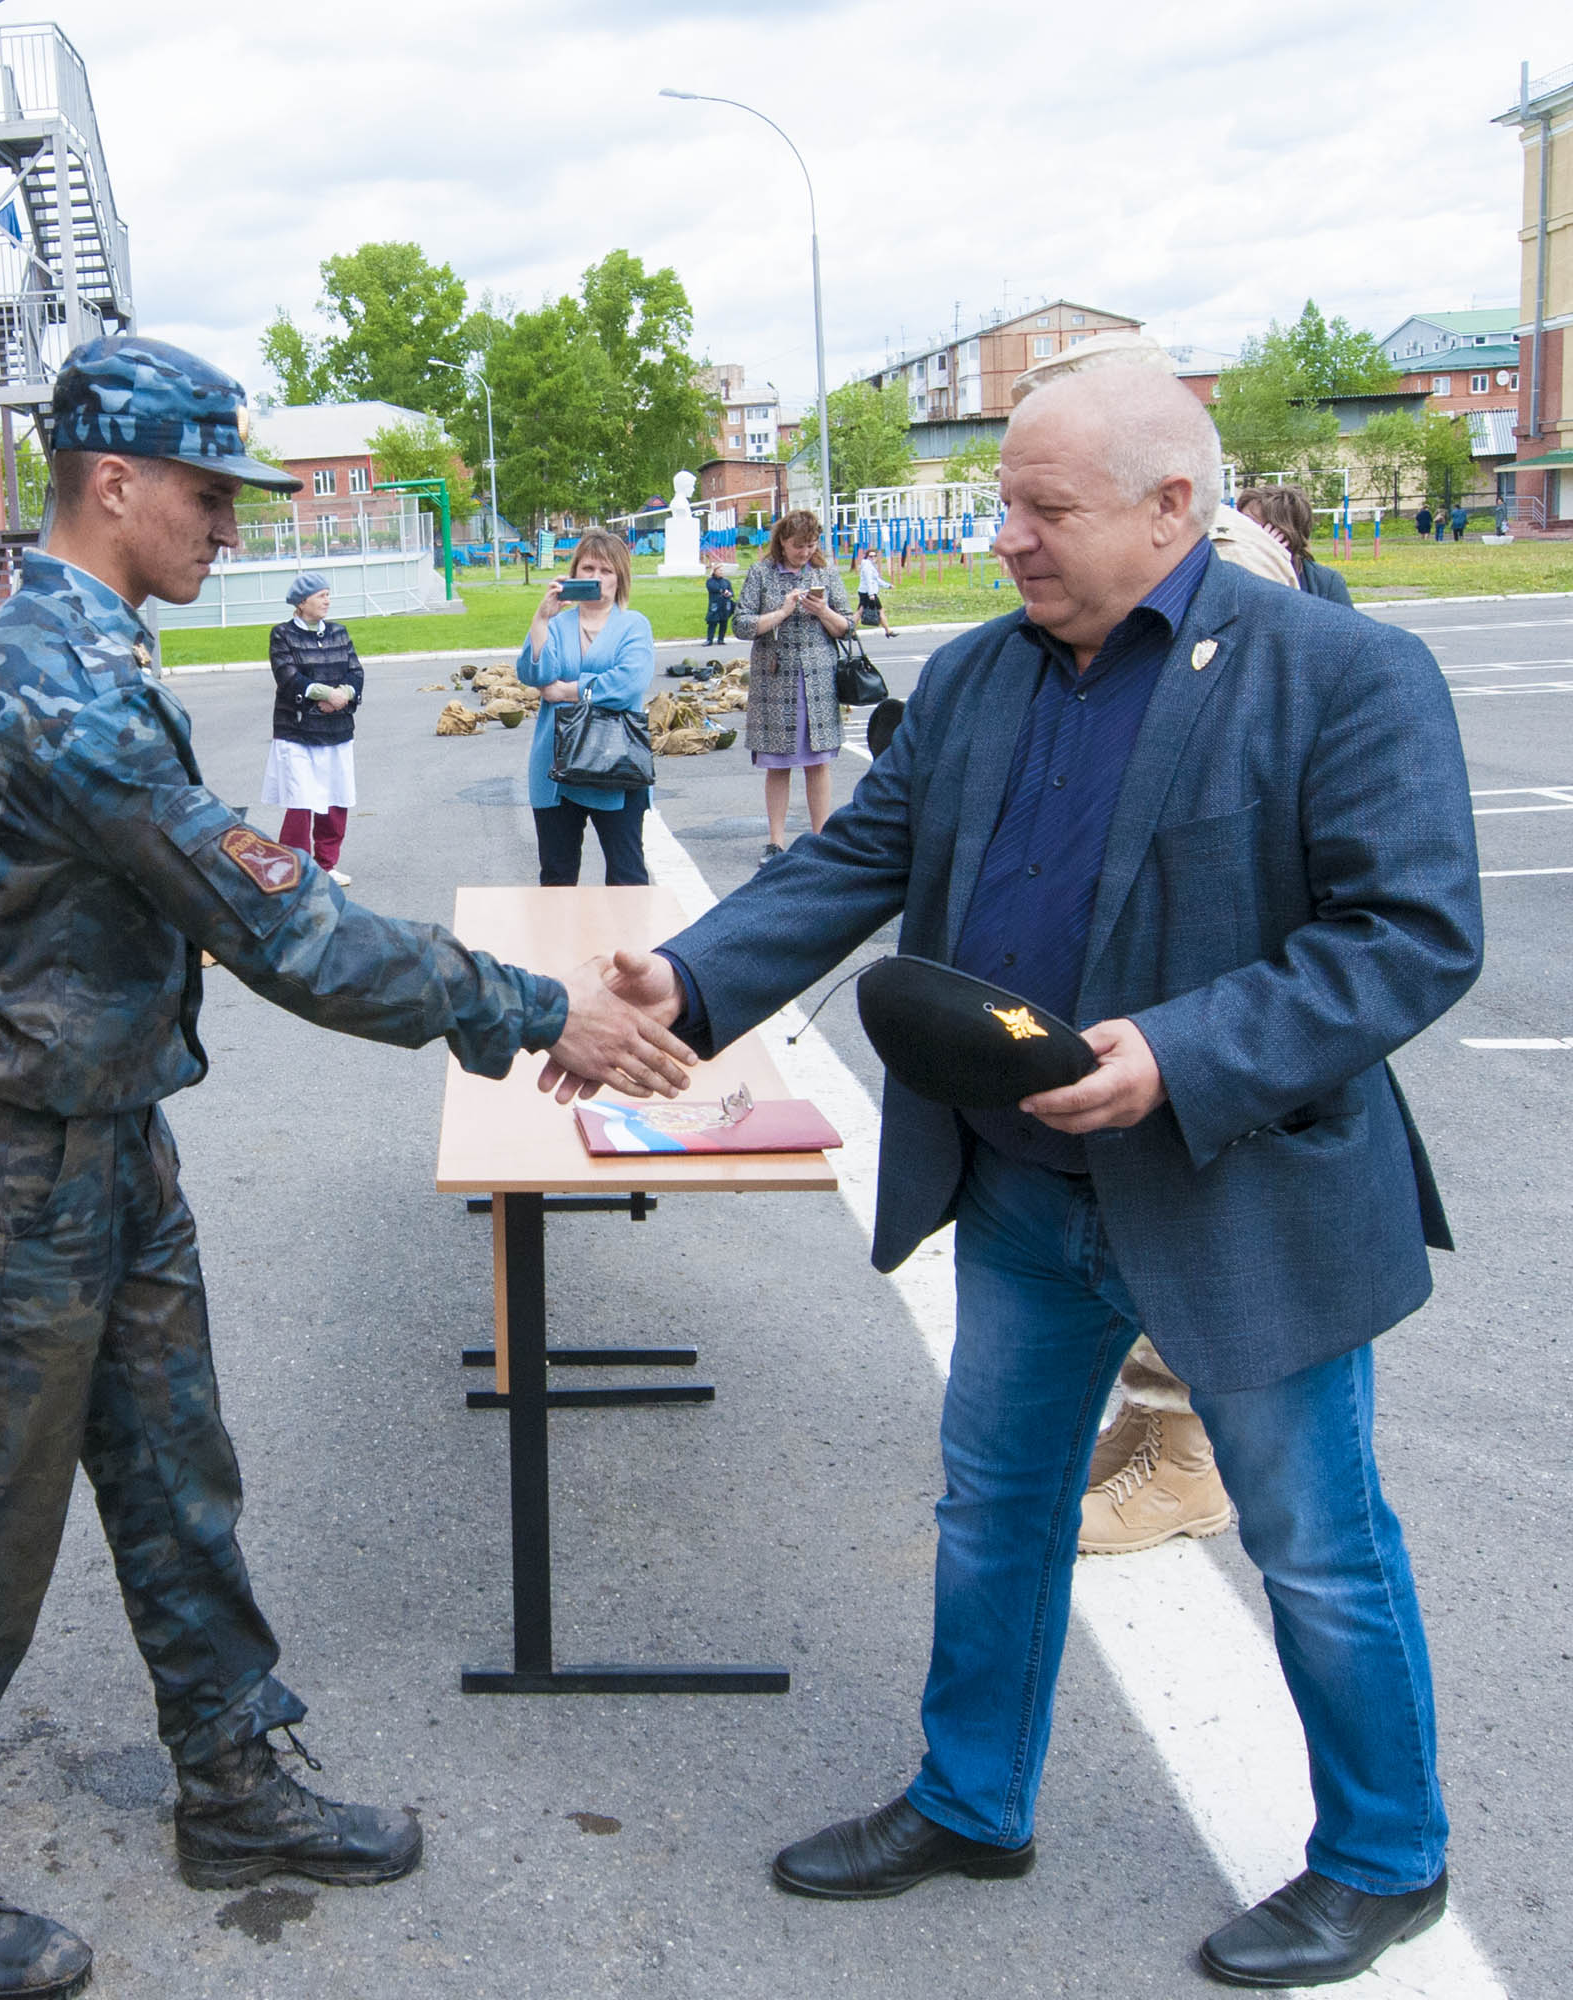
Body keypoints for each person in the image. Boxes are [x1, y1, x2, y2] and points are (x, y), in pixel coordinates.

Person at [574, 362, 1478, 1990]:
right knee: (995, 1513)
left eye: (1042, 509)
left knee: (1318, 1549)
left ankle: (1384, 1858)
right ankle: (971, 1799)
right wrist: (691, 987)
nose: (1004, 539)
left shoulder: (1343, 675)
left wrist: (1185, 1053)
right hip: (1016, 1199)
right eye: (1002, 502)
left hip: (1239, 1192)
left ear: (1171, 510)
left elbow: (1409, 937)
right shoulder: (984, 679)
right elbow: (860, 858)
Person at [0, 334, 699, 1999]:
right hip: (25, 1168)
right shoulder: (56, 683)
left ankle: (231, 1779)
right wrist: (534, 1015)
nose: (229, 526)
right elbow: (276, 922)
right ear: (113, 483)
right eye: (208, 493)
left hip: (100, 1142)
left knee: (173, 1469)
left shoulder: (86, 649)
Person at [517, 526, 655, 887]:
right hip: (556, 766)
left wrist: (570, 691)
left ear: (619, 578)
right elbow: (535, 673)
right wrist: (541, 618)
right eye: (588, 569)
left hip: (618, 765)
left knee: (627, 875)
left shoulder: (633, 625)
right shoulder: (558, 624)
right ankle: (561, 945)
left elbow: (629, 683)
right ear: (574, 572)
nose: (596, 578)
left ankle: (625, 944)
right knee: (557, 877)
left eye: (606, 571)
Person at [736, 508, 850, 863]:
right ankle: (776, 842)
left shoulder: (826, 573)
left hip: (818, 682)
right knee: (778, 763)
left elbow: (848, 627)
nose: (804, 552)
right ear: (782, 541)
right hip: (774, 682)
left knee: (819, 763)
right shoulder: (760, 573)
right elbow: (740, 625)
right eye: (798, 545)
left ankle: (820, 840)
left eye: (811, 544)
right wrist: (781, 613)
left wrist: (823, 612)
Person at [261, 571, 361, 884]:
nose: (327, 601)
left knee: (334, 801)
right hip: (298, 731)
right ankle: (296, 870)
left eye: (328, 594)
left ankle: (326, 866)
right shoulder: (282, 634)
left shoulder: (339, 633)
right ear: (302, 602)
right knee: (301, 801)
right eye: (321, 596)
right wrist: (322, 694)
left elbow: (355, 671)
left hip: (337, 729)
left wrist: (344, 694)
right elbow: (288, 676)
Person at [1237, 485, 1352, 606]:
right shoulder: (1230, 573)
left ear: (1282, 534)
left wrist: (1269, 561)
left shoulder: (1325, 583)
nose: (1240, 529)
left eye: (1250, 523)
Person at [853, 544, 892, 635]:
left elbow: (876, 579)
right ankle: (888, 630)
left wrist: (887, 585)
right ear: (867, 557)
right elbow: (869, 580)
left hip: (866, 592)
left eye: (874, 556)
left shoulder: (869, 565)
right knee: (879, 610)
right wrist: (871, 594)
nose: (873, 557)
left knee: (860, 611)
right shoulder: (867, 566)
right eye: (871, 556)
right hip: (868, 593)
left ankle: (852, 631)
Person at [705, 558, 736, 645]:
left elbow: (732, 592)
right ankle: (709, 639)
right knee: (712, 622)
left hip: (725, 604)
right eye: (719, 570)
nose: (721, 572)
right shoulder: (710, 581)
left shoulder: (726, 581)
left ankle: (721, 639)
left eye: (722, 570)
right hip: (715, 604)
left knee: (724, 622)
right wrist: (722, 591)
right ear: (714, 571)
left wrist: (729, 593)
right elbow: (713, 588)